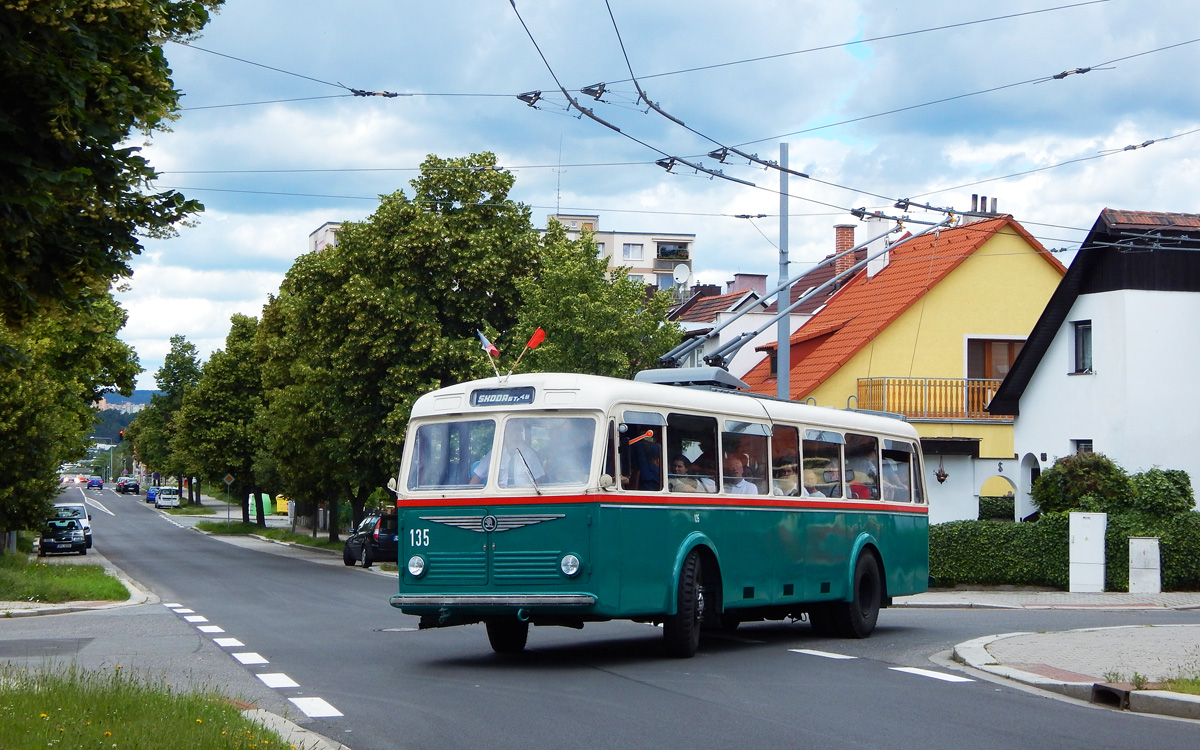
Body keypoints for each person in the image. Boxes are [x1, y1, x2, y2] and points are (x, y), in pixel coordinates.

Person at [470, 425, 545, 487]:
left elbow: (539, 480)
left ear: (520, 435)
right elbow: (477, 477)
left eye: (516, 432)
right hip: (499, 497)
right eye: (510, 433)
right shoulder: (494, 454)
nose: (513, 437)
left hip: (524, 497)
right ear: (504, 435)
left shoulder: (530, 454)